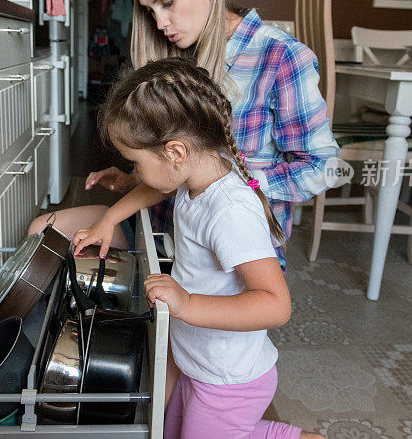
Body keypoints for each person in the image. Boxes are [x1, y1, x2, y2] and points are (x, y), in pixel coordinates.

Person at [29, 0, 338, 274]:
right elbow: (171, 168)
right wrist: (137, 179)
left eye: (168, 2)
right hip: (158, 225)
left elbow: (321, 168)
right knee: (41, 233)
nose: (160, 22)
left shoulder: (281, 57)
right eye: (150, 10)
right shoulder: (175, 51)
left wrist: (228, 179)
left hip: (220, 255)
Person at [72, 57, 322, 439]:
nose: (134, 170)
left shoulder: (230, 210)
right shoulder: (198, 173)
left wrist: (186, 303)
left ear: (174, 152)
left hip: (227, 380)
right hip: (198, 359)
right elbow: (156, 185)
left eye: (134, 161)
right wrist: (109, 219)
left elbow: (276, 304)